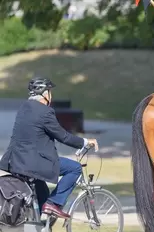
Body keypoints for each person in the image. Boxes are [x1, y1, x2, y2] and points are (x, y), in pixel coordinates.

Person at [0, 78, 99, 219]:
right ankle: (54, 203)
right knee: (75, 168)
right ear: (45, 94)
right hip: (34, 164)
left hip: (17, 162)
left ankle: (35, 231)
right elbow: (63, 136)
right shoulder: (45, 112)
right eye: (50, 92)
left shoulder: (24, 108)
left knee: (43, 193)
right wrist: (84, 142)